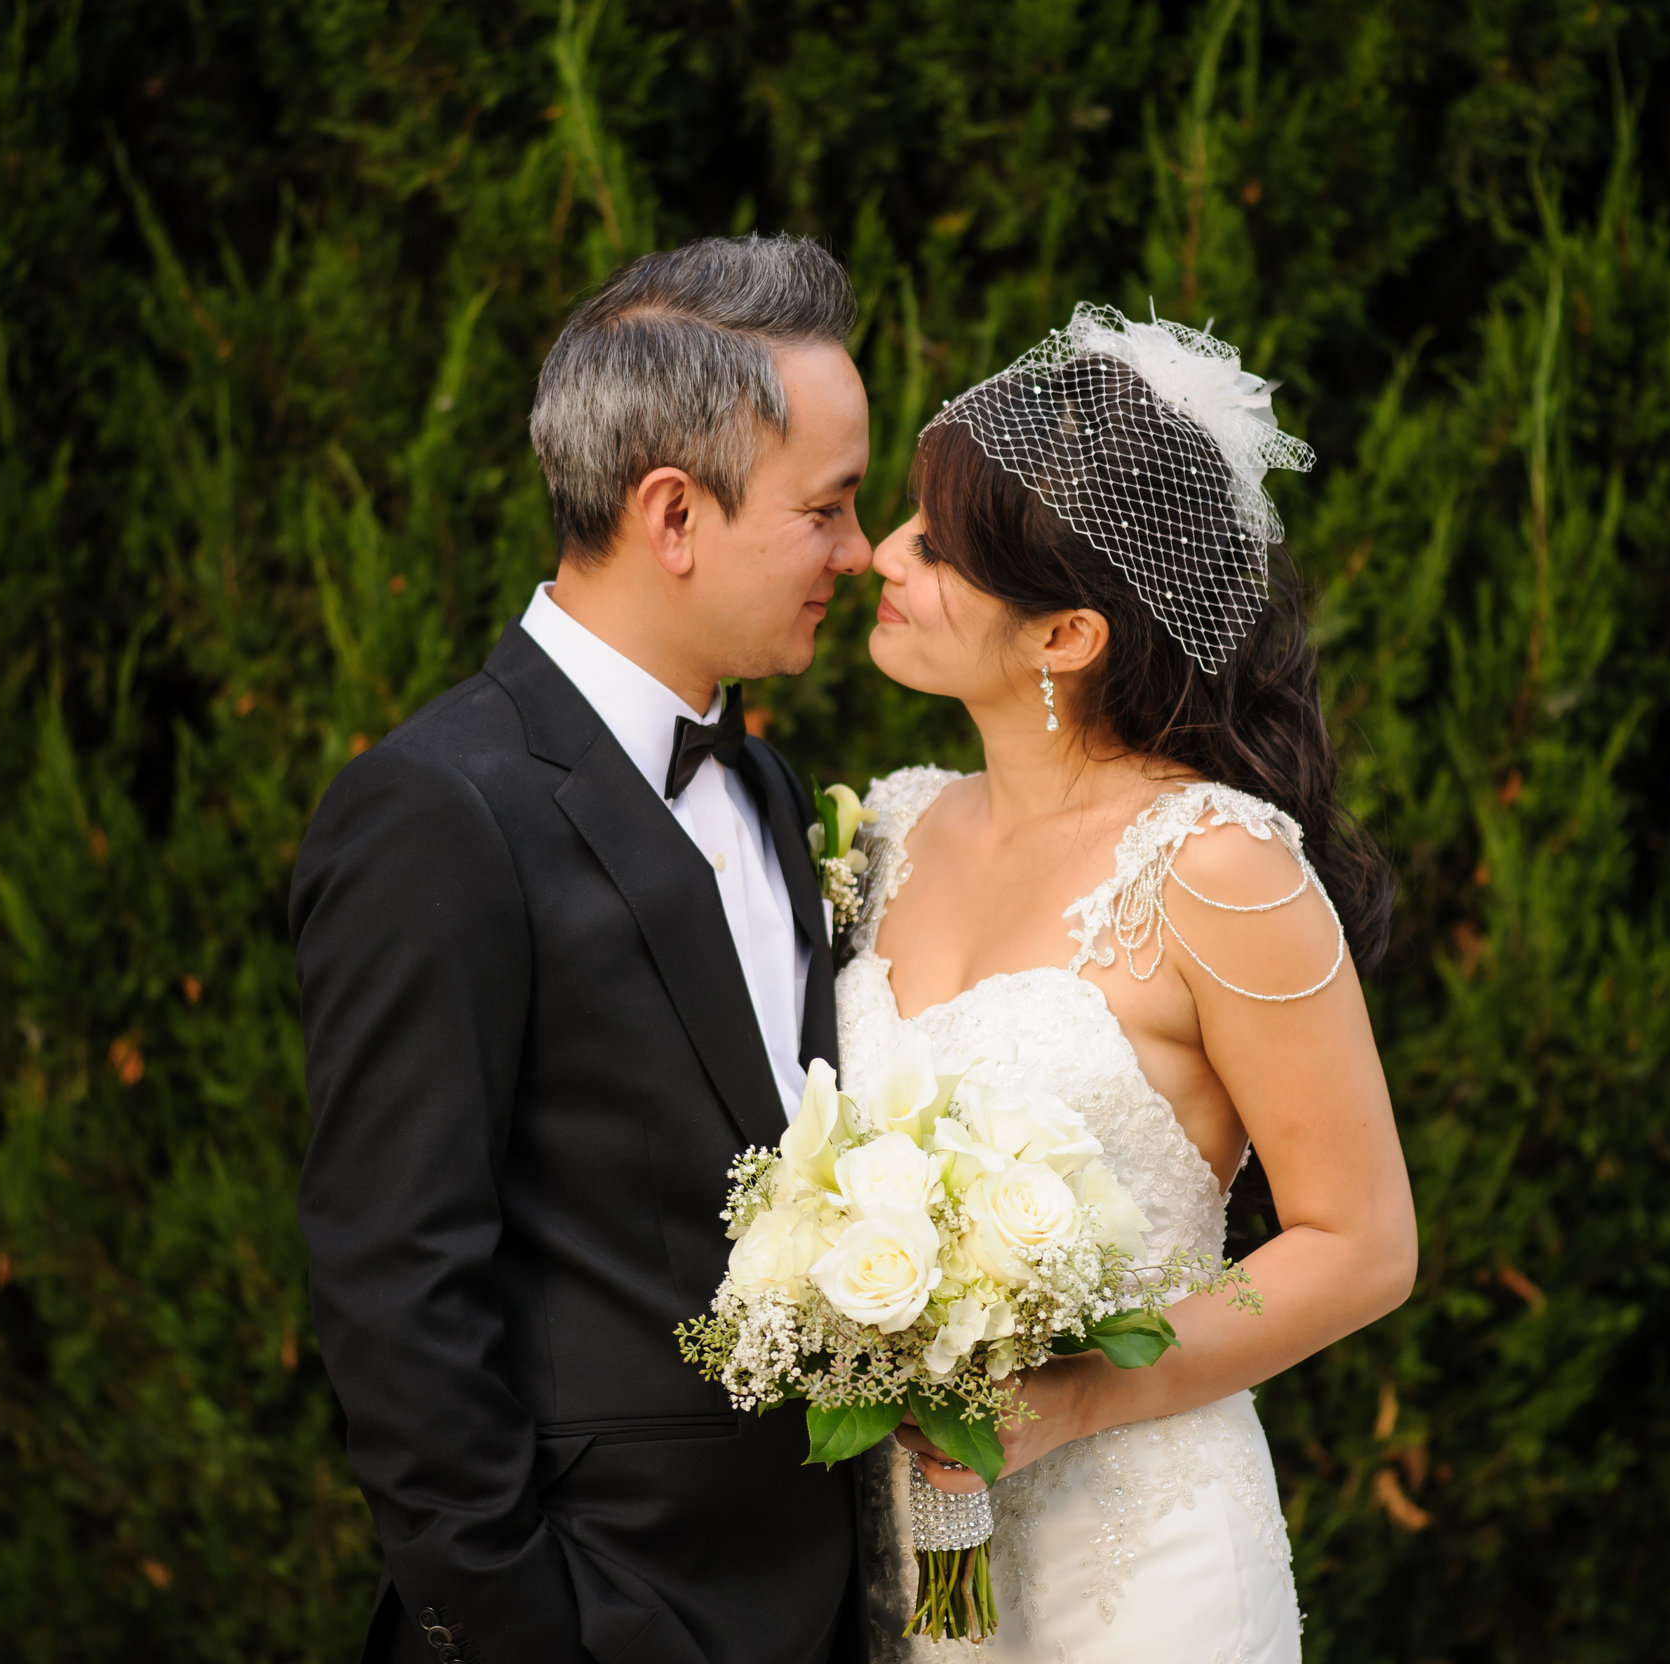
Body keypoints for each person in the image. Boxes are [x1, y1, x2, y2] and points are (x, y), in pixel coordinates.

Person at [290, 234, 875, 1664]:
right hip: (598, 1614)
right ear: (674, 514)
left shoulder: (770, 785)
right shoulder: (437, 810)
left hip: (822, 1610)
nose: (860, 554)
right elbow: (396, 1284)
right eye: (831, 509)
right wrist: (524, 1626)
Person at [841, 305, 1419, 1661]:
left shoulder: (1218, 872)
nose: (880, 555)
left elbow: (1363, 1245)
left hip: (1142, 1560)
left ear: (1065, 638)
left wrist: (1083, 1397)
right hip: (905, 1559)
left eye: (933, 549)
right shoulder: (886, 833)